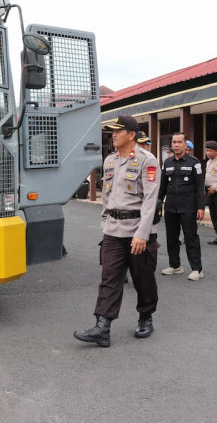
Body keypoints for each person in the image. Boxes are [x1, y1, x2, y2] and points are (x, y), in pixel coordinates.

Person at [74, 116, 160, 347]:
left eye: (118, 131)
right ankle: (103, 326)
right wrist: (105, 220)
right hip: (113, 230)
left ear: (131, 135)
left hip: (137, 231)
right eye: (112, 131)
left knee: (143, 278)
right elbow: (108, 196)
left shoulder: (147, 160)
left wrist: (143, 233)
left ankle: (146, 316)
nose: (113, 135)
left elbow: (151, 199)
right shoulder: (110, 160)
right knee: (109, 278)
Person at [158, 132, 205, 281]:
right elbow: (162, 186)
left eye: (179, 142)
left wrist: (201, 207)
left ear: (185, 145)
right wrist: (158, 203)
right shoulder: (167, 163)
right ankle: (175, 266)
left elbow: (199, 187)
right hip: (171, 206)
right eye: (174, 142)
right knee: (171, 237)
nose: (176, 145)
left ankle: (197, 269)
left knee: (191, 238)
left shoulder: (194, 162)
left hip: (188, 207)